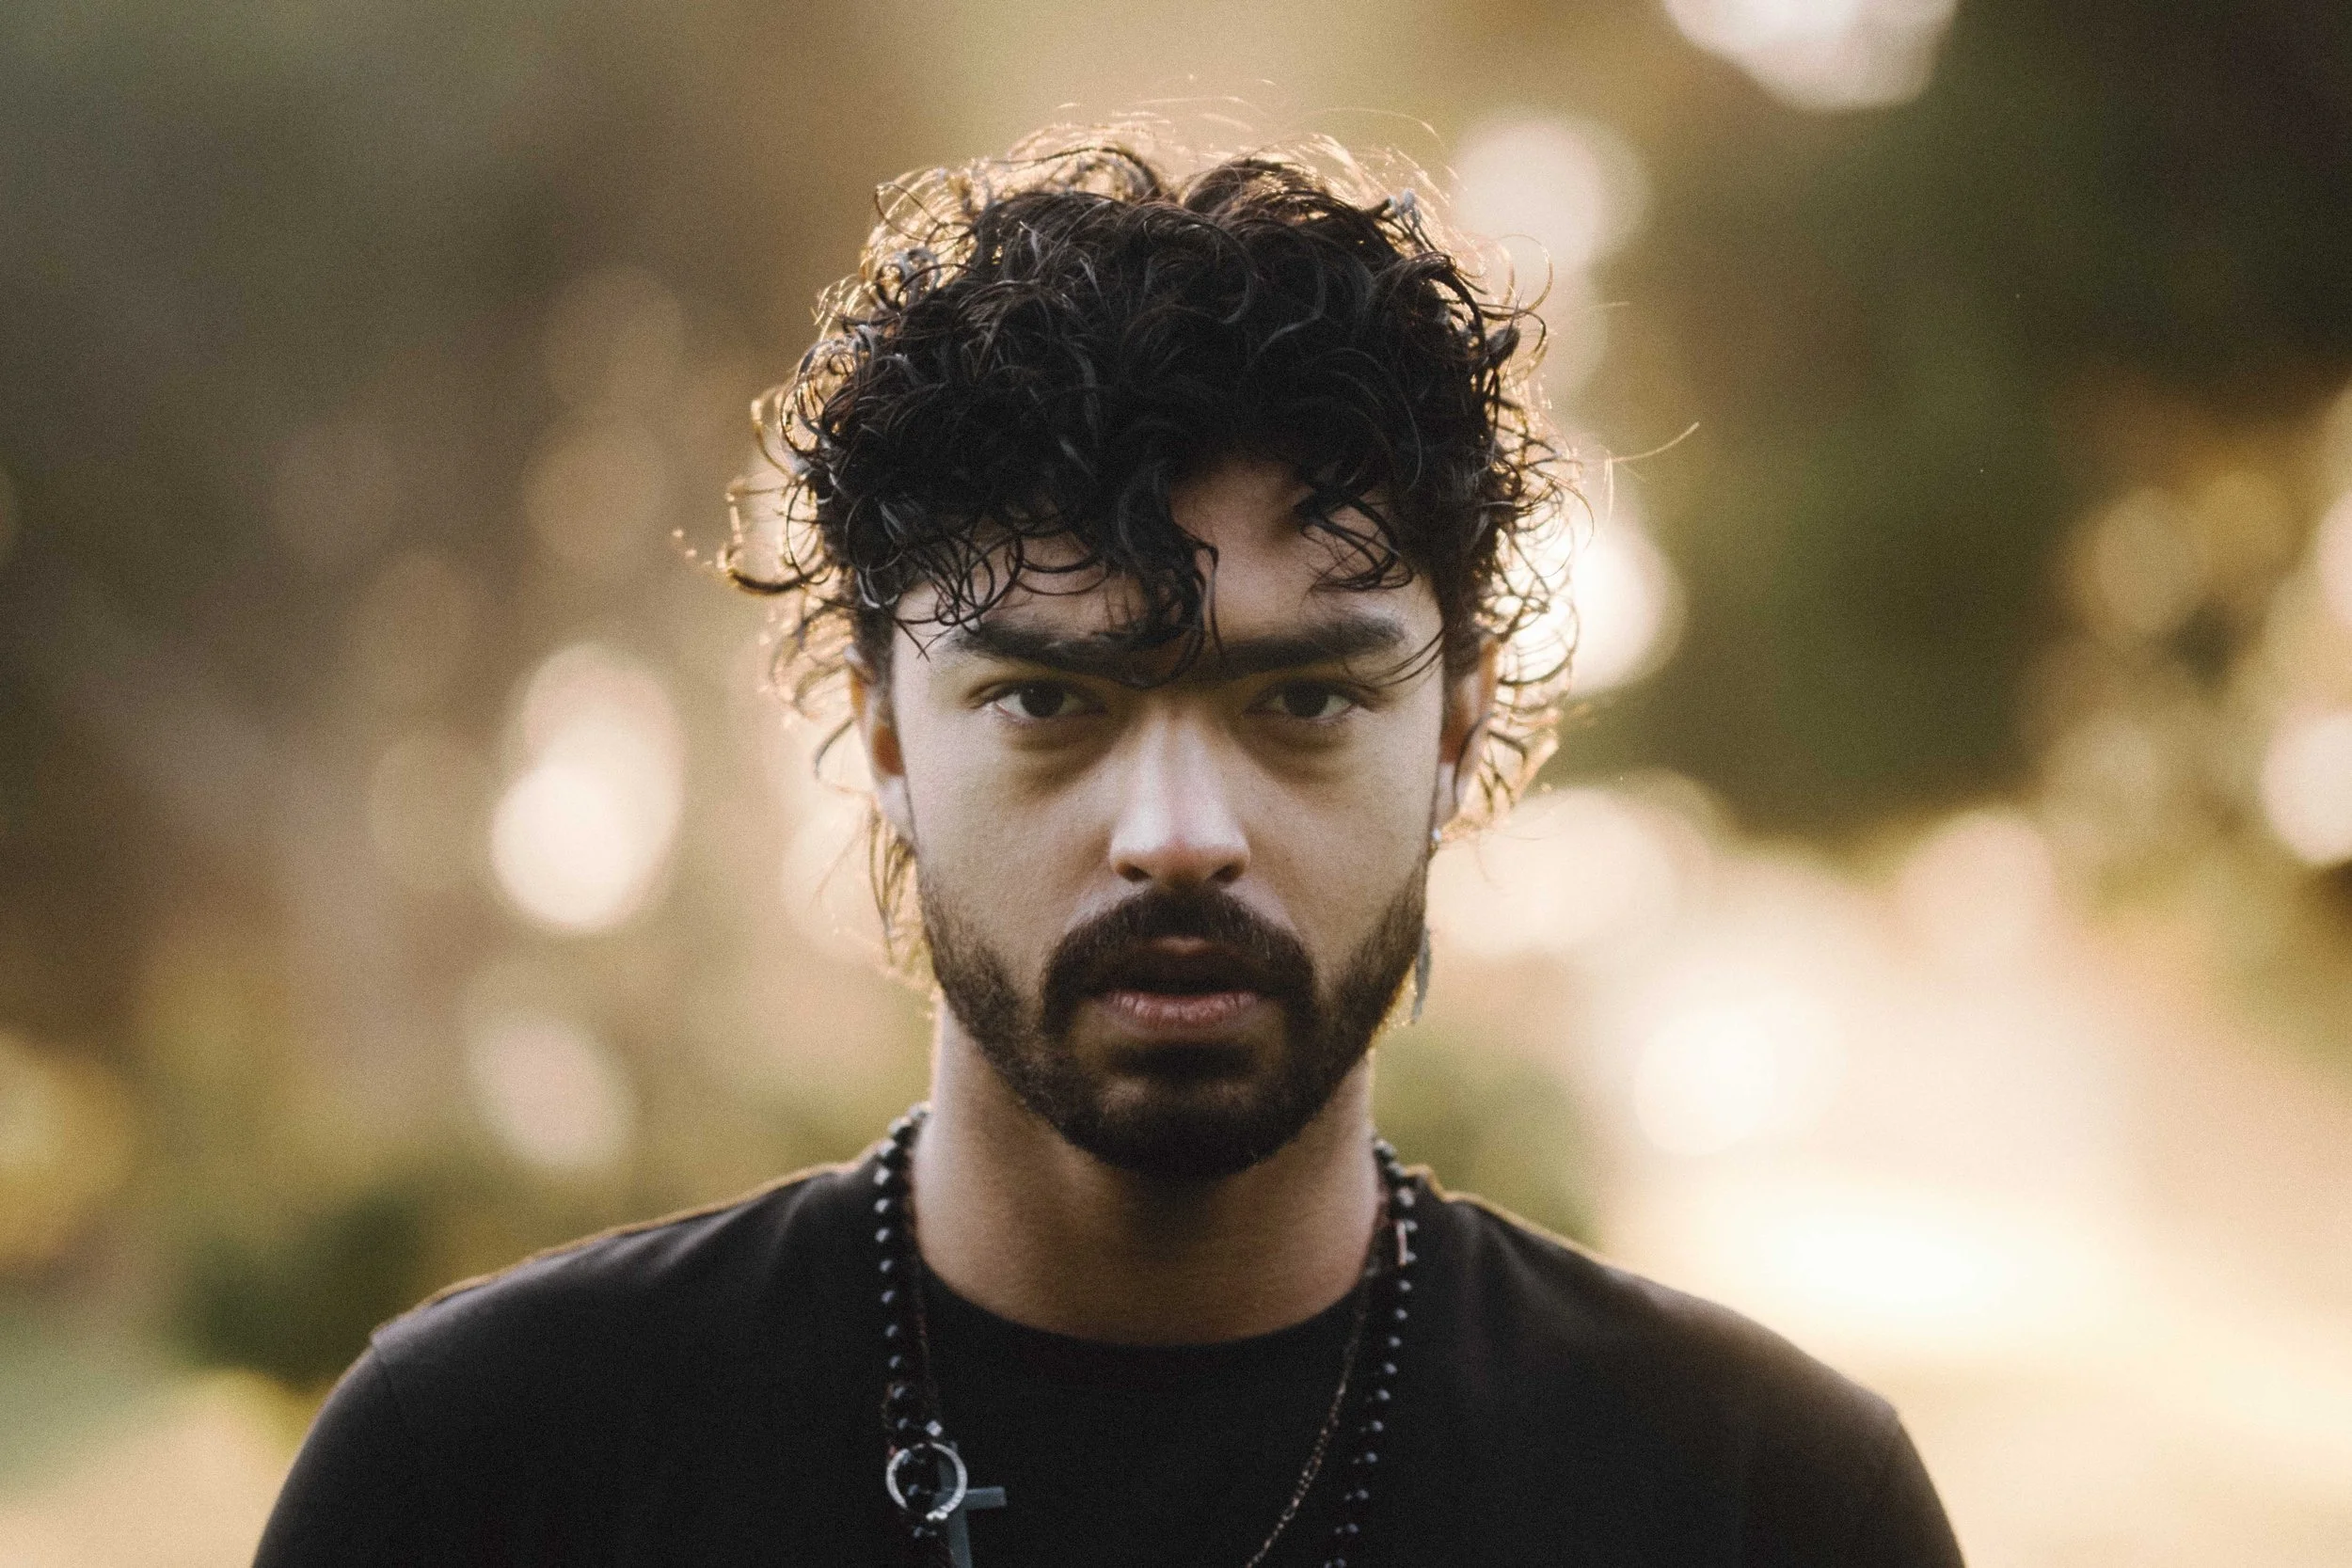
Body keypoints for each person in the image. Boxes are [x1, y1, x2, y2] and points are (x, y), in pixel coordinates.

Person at [256, 129, 1965, 1568]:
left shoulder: (1768, 1505)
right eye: (1049, 702)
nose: (1177, 838)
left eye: (1300, 699)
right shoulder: (478, 1474)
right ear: (879, 731)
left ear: (1455, 726)